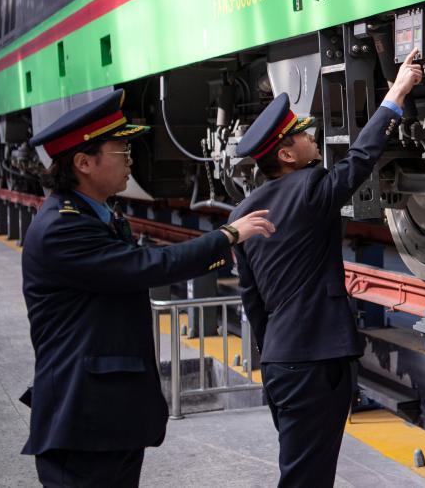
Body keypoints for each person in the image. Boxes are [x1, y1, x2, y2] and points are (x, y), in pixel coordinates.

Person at [21, 89, 275, 487]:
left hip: (109, 415)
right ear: (84, 163)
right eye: (121, 151)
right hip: (82, 419)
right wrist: (226, 236)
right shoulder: (62, 227)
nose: (130, 159)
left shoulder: (95, 214)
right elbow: (145, 266)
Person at [230, 48, 423, 487]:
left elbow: (252, 300)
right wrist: (397, 91)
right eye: (301, 134)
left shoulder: (242, 213)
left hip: (280, 361)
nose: (311, 135)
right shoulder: (309, 189)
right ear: (287, 155)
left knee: (303, 470)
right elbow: (360, 159)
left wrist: (276, 349)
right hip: (316, 363)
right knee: (307, 478)